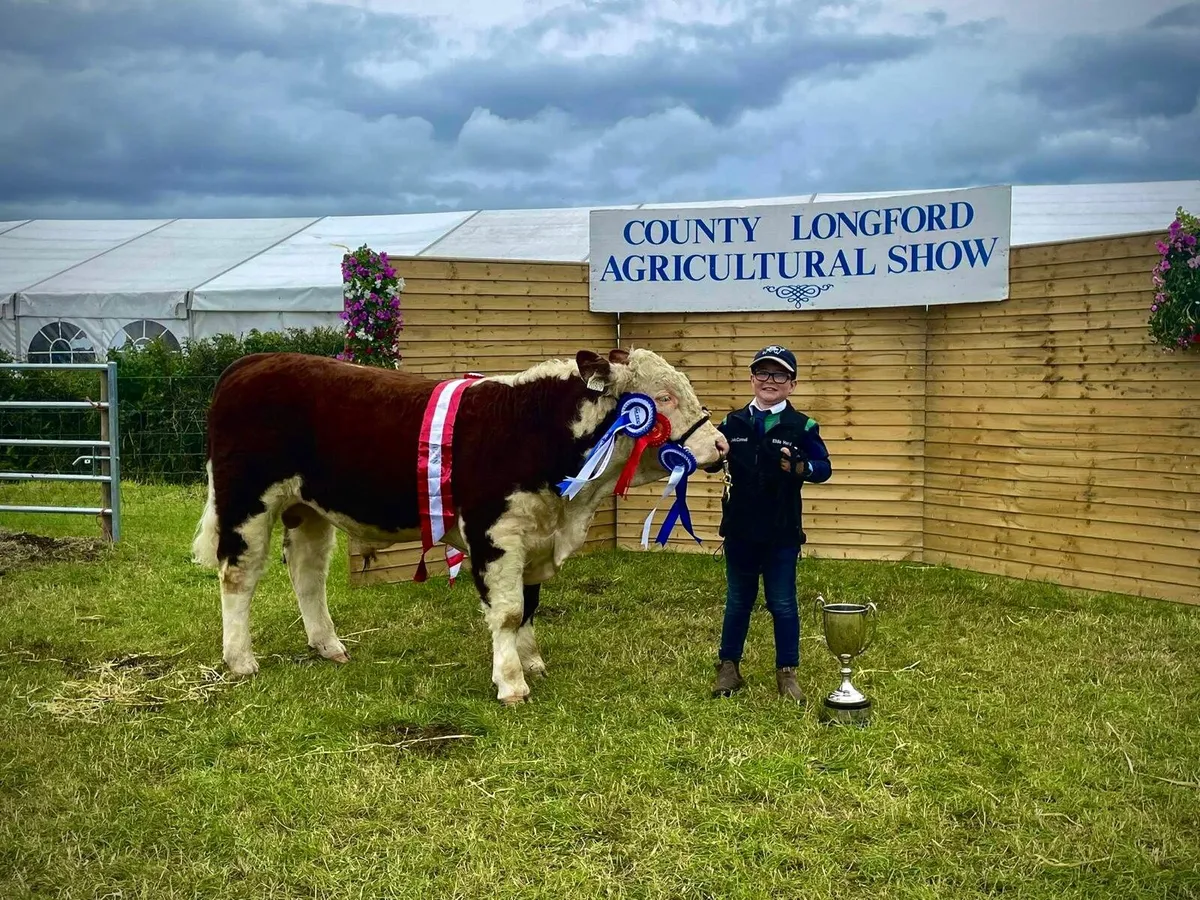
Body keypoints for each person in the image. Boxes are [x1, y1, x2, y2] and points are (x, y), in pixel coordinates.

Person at [708, 344, 832, 702]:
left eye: (779, 374)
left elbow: (824, 468)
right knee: (737, 601)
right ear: (751, 379)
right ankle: (728, 668)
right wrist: (715, 458)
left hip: (781, 532)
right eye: (762, 373)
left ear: (791, 384)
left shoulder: (803, 426)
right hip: (740, 530)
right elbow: (711, 460)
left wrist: (803, 468)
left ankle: (787, 673)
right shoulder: (732, 423)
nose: (769, 380)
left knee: (782, 603)